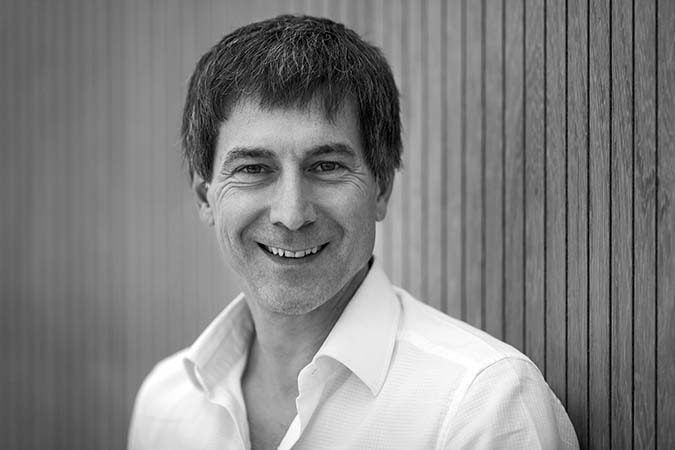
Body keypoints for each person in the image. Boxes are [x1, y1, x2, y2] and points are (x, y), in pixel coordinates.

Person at [128, 15, 578, 450]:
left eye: (326, 166)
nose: (291, 214)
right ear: (205, 197)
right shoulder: (165, 406)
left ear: (381, 188)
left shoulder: (483, 405)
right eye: (253, 169)